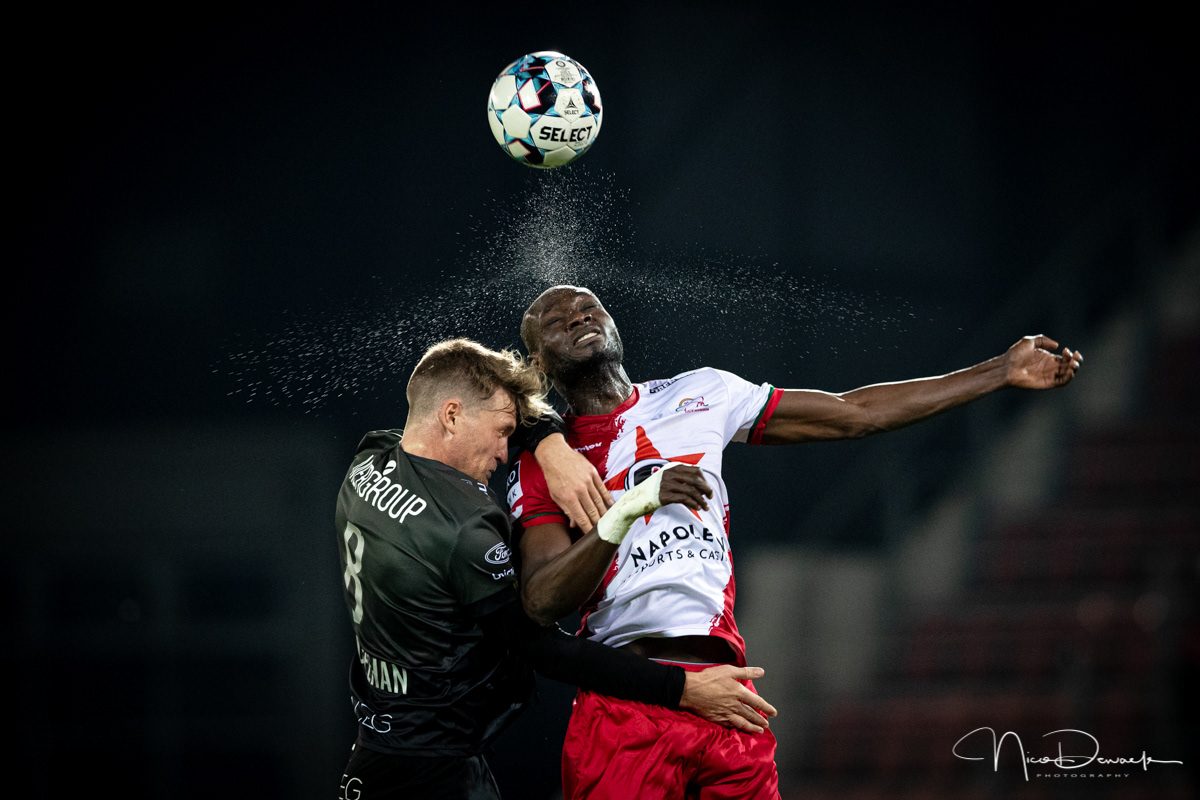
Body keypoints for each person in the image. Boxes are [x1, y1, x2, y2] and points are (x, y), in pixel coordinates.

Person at [507, 285, 1084, 799]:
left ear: (614, 326)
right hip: (626, 707)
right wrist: (630, 508)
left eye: (589, 307)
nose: (578, 317)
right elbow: (542, 601)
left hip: (732, 699)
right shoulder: (544, 465)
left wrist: (1000, 371)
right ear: (536, 361)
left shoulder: (701, 394)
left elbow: (853, 412)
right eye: (556, 319)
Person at [334, 338, 777, 800]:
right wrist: (681, 687)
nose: (506, 453)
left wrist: (550, 446)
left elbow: (501, 411)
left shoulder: (370, 461)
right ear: (450, 416)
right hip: (437, 768)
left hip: (377, 744)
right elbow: (542, 648)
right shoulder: (464, 533)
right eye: (504, 431)